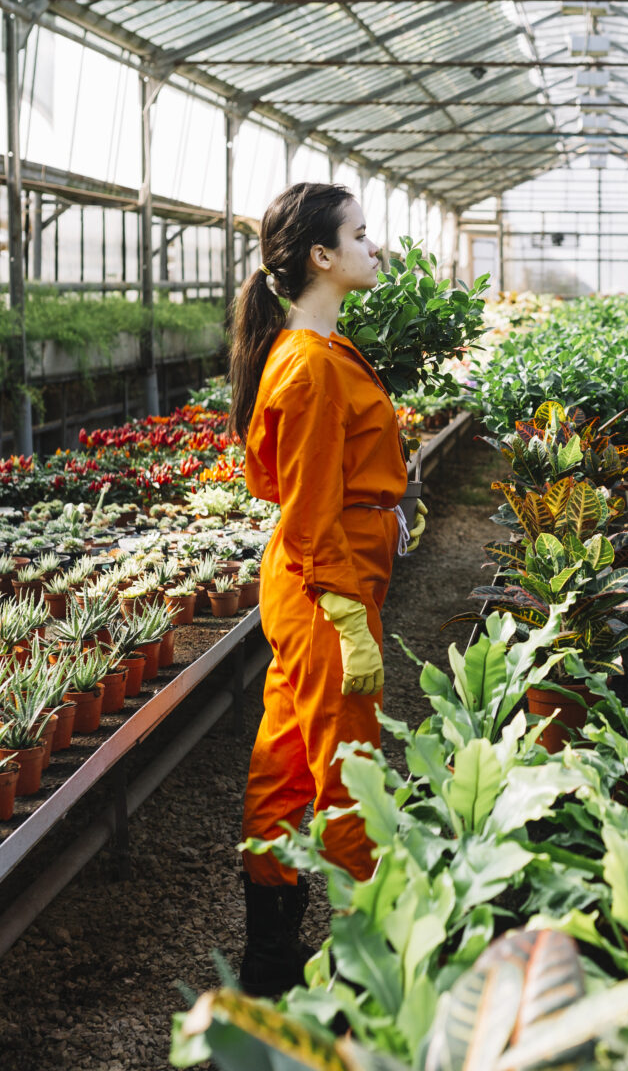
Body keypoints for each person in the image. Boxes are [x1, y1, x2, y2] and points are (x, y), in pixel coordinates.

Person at [225, 183, 411, 995]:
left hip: (321, 582)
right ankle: (364, 958)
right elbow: (306, 513)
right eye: (361, 236)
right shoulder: (306, 367)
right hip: (321, 589)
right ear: (321, 258)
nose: (375, 248)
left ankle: (271, 959)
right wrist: (348, 618)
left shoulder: (320, 354)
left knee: (288, 760)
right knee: (347, 763)